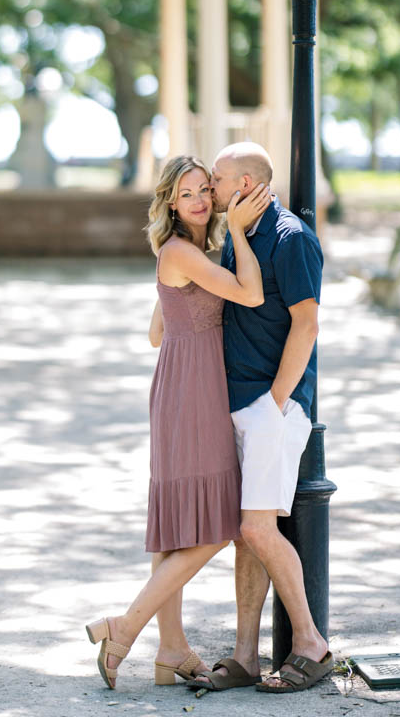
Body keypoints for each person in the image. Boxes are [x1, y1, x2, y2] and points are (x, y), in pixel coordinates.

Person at [84, 155, 271, 691]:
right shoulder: (182, 251)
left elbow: (155, 332)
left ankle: (171, 649)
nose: (199, 200)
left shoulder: (182, 254)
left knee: (178, 526)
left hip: (181, 383)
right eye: (187, 193)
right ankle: (125, 627)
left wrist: (191, 312)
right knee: (218, 524)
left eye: (205, 191)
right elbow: (252, 294)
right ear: (169, 201)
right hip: (193, 393)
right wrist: (237, 230)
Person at [183, 142, 330, 695]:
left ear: (244, 183)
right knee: (248, 536)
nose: (211, 189)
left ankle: (311, 644)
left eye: (217, 179)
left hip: (273, 407)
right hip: (240, 402)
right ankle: (245, 655)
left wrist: (276, 402)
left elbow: (307, 325)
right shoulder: (237, 238)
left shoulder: (293, 239)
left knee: (255, 528)